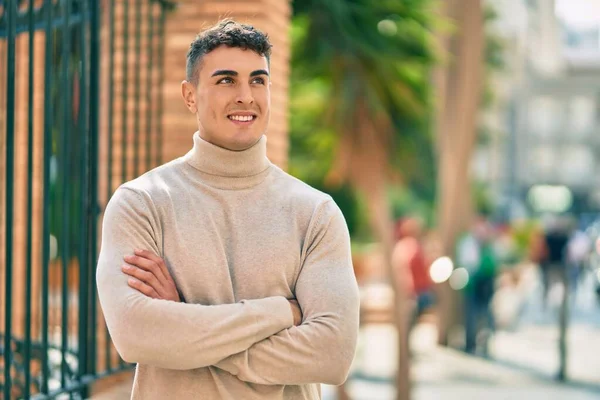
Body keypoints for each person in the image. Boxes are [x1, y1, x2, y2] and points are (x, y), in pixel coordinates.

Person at [96, 20, 360, 400]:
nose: (245, 96)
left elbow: (332, 354)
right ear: (190, 96)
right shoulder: (142, 202)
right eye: (225, 80)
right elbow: (135, 335)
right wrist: (279, 314)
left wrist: (182, 323)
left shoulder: (315, 212)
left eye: (258, 80)